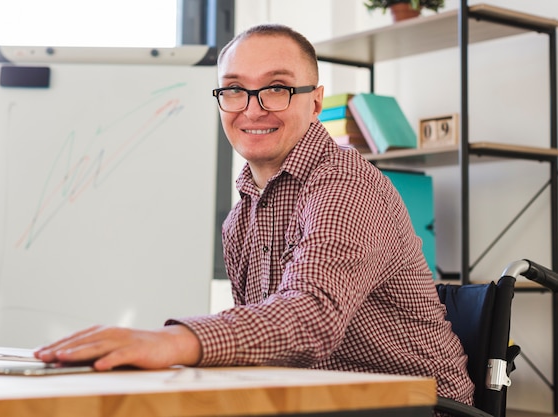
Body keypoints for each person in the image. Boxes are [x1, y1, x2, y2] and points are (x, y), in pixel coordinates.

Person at [35, 23, 475, 405]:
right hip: (318, 400)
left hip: (417, 406)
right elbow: (267, 346)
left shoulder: (346, 185)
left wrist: (173, 341)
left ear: (316, 102)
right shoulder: (240, 217)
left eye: (277, 88)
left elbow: (311, 316)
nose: (252, 107)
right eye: (234, 89)